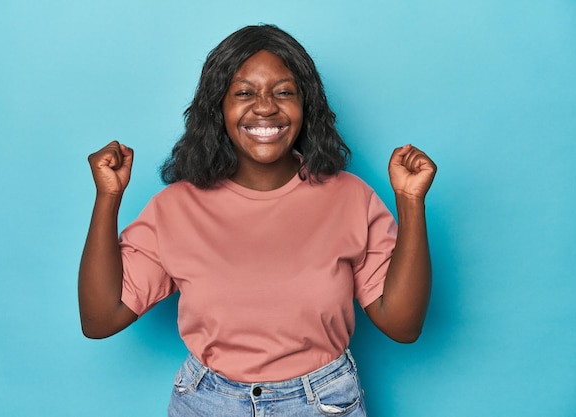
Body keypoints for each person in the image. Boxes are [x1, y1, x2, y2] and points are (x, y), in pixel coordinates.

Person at [79, 24, 436, 417]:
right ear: (219, 107)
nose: (265, 107)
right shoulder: (175, 207)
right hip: (207, 402)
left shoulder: (351, 197)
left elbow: (403, 326)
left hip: (323, 403)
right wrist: (108, 197)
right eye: (245, 93)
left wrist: (410, 201)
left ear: (306, 105)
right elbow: (100, 318)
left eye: (283, 92)